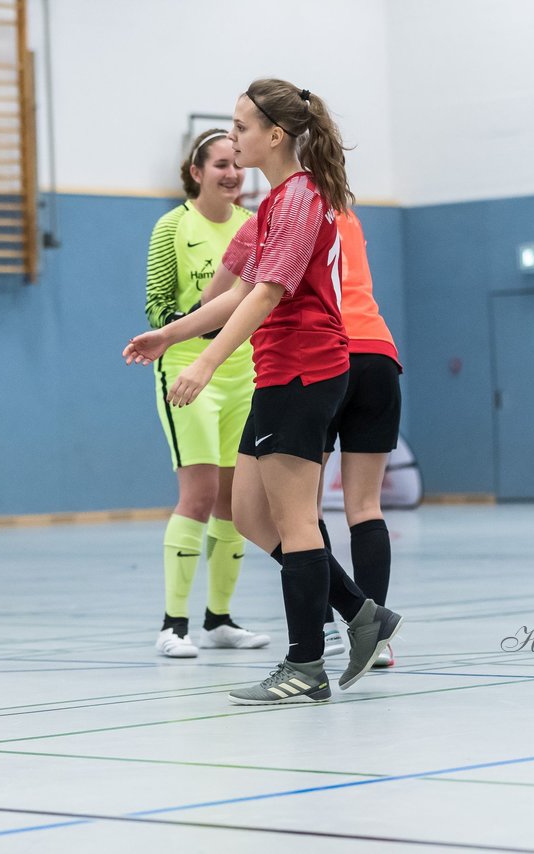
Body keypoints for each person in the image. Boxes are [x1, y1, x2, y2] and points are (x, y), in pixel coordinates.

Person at [125, 79, 403, 704]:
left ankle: (306, 664)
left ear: (275, 135)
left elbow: (268, 293)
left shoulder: (303, 198)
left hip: (305, 369)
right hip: (276, 374)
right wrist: (169, 336)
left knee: (295, 518)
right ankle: (364, 614)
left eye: (243, 126)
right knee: (248, 513)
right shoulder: (272, 206)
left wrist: (205, 363)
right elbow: (225, 294)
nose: (236, 136)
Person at [144, 128, 269, 658]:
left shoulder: (254, 226)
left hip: (244, 373)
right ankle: (174, 625)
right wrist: (201, 323)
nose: (232, 173)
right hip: (187, 368)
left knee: (235, 504)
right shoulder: (173, 226)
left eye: (236, 164)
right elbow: (155, 306)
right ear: (196, 173)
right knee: (196, 495)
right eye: (219, 164)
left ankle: (219, 620)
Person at [318, 210, 404, 668]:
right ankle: (375, 640)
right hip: (379, 355)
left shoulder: (293, 207)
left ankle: (327, 627)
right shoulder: (348, 215)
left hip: (326, 354)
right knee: (366, 508)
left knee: (301, 511)